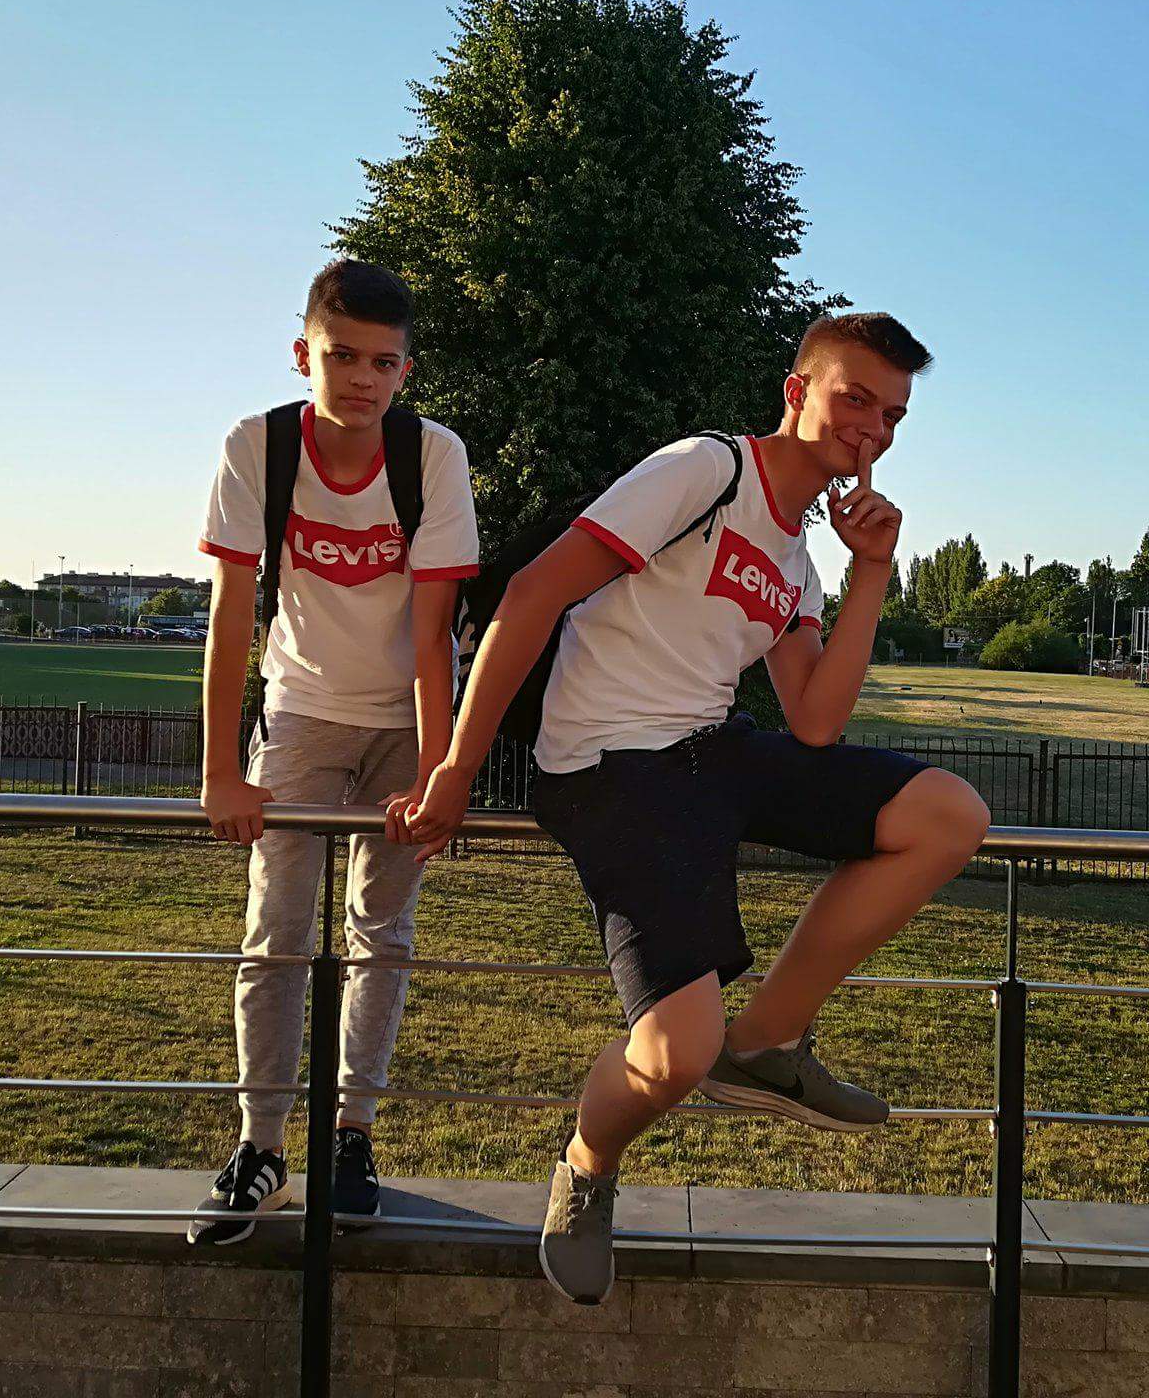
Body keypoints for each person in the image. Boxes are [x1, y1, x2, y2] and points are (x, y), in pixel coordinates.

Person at [403, 311, 991, 1303]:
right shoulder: (705, 471)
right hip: (607, 765)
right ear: (796, 391)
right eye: (853, 398)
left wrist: (873, 570)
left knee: (947, 815)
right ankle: (588, 1165)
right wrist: (457, 765)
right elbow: (533, 595)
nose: (873, 429)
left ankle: (766, 1043)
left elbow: (815, 719)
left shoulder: (798, 561)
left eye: (892, 416)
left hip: (711, 751)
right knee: (676, 1055)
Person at [187, 258, 478, 1244]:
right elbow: (230, 613)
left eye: (383, 363)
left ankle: (351, 1136)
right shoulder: (259, 446)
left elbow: (434, 633)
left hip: (402, 720)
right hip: (302, 710)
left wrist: (438, 771)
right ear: (302, 352)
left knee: (380, 933)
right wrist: (221, 770)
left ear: (405, 371)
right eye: (342, 356)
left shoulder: (431, 454)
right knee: (274, 932)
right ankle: (261, 1146)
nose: (361, 378)